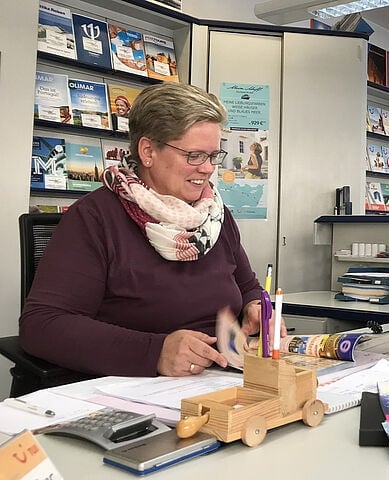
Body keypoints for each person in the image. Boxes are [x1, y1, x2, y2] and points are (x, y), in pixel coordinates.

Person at [20, 82, 283, 378]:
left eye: (213, 156)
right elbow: (42, 324)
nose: (208, 169)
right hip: (136, 392)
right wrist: (155, 351)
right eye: (194, 155)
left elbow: (247, 285)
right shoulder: (94, 218)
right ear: (148, 151)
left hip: (220, 379)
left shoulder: (214, 215)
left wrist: (254, 306)